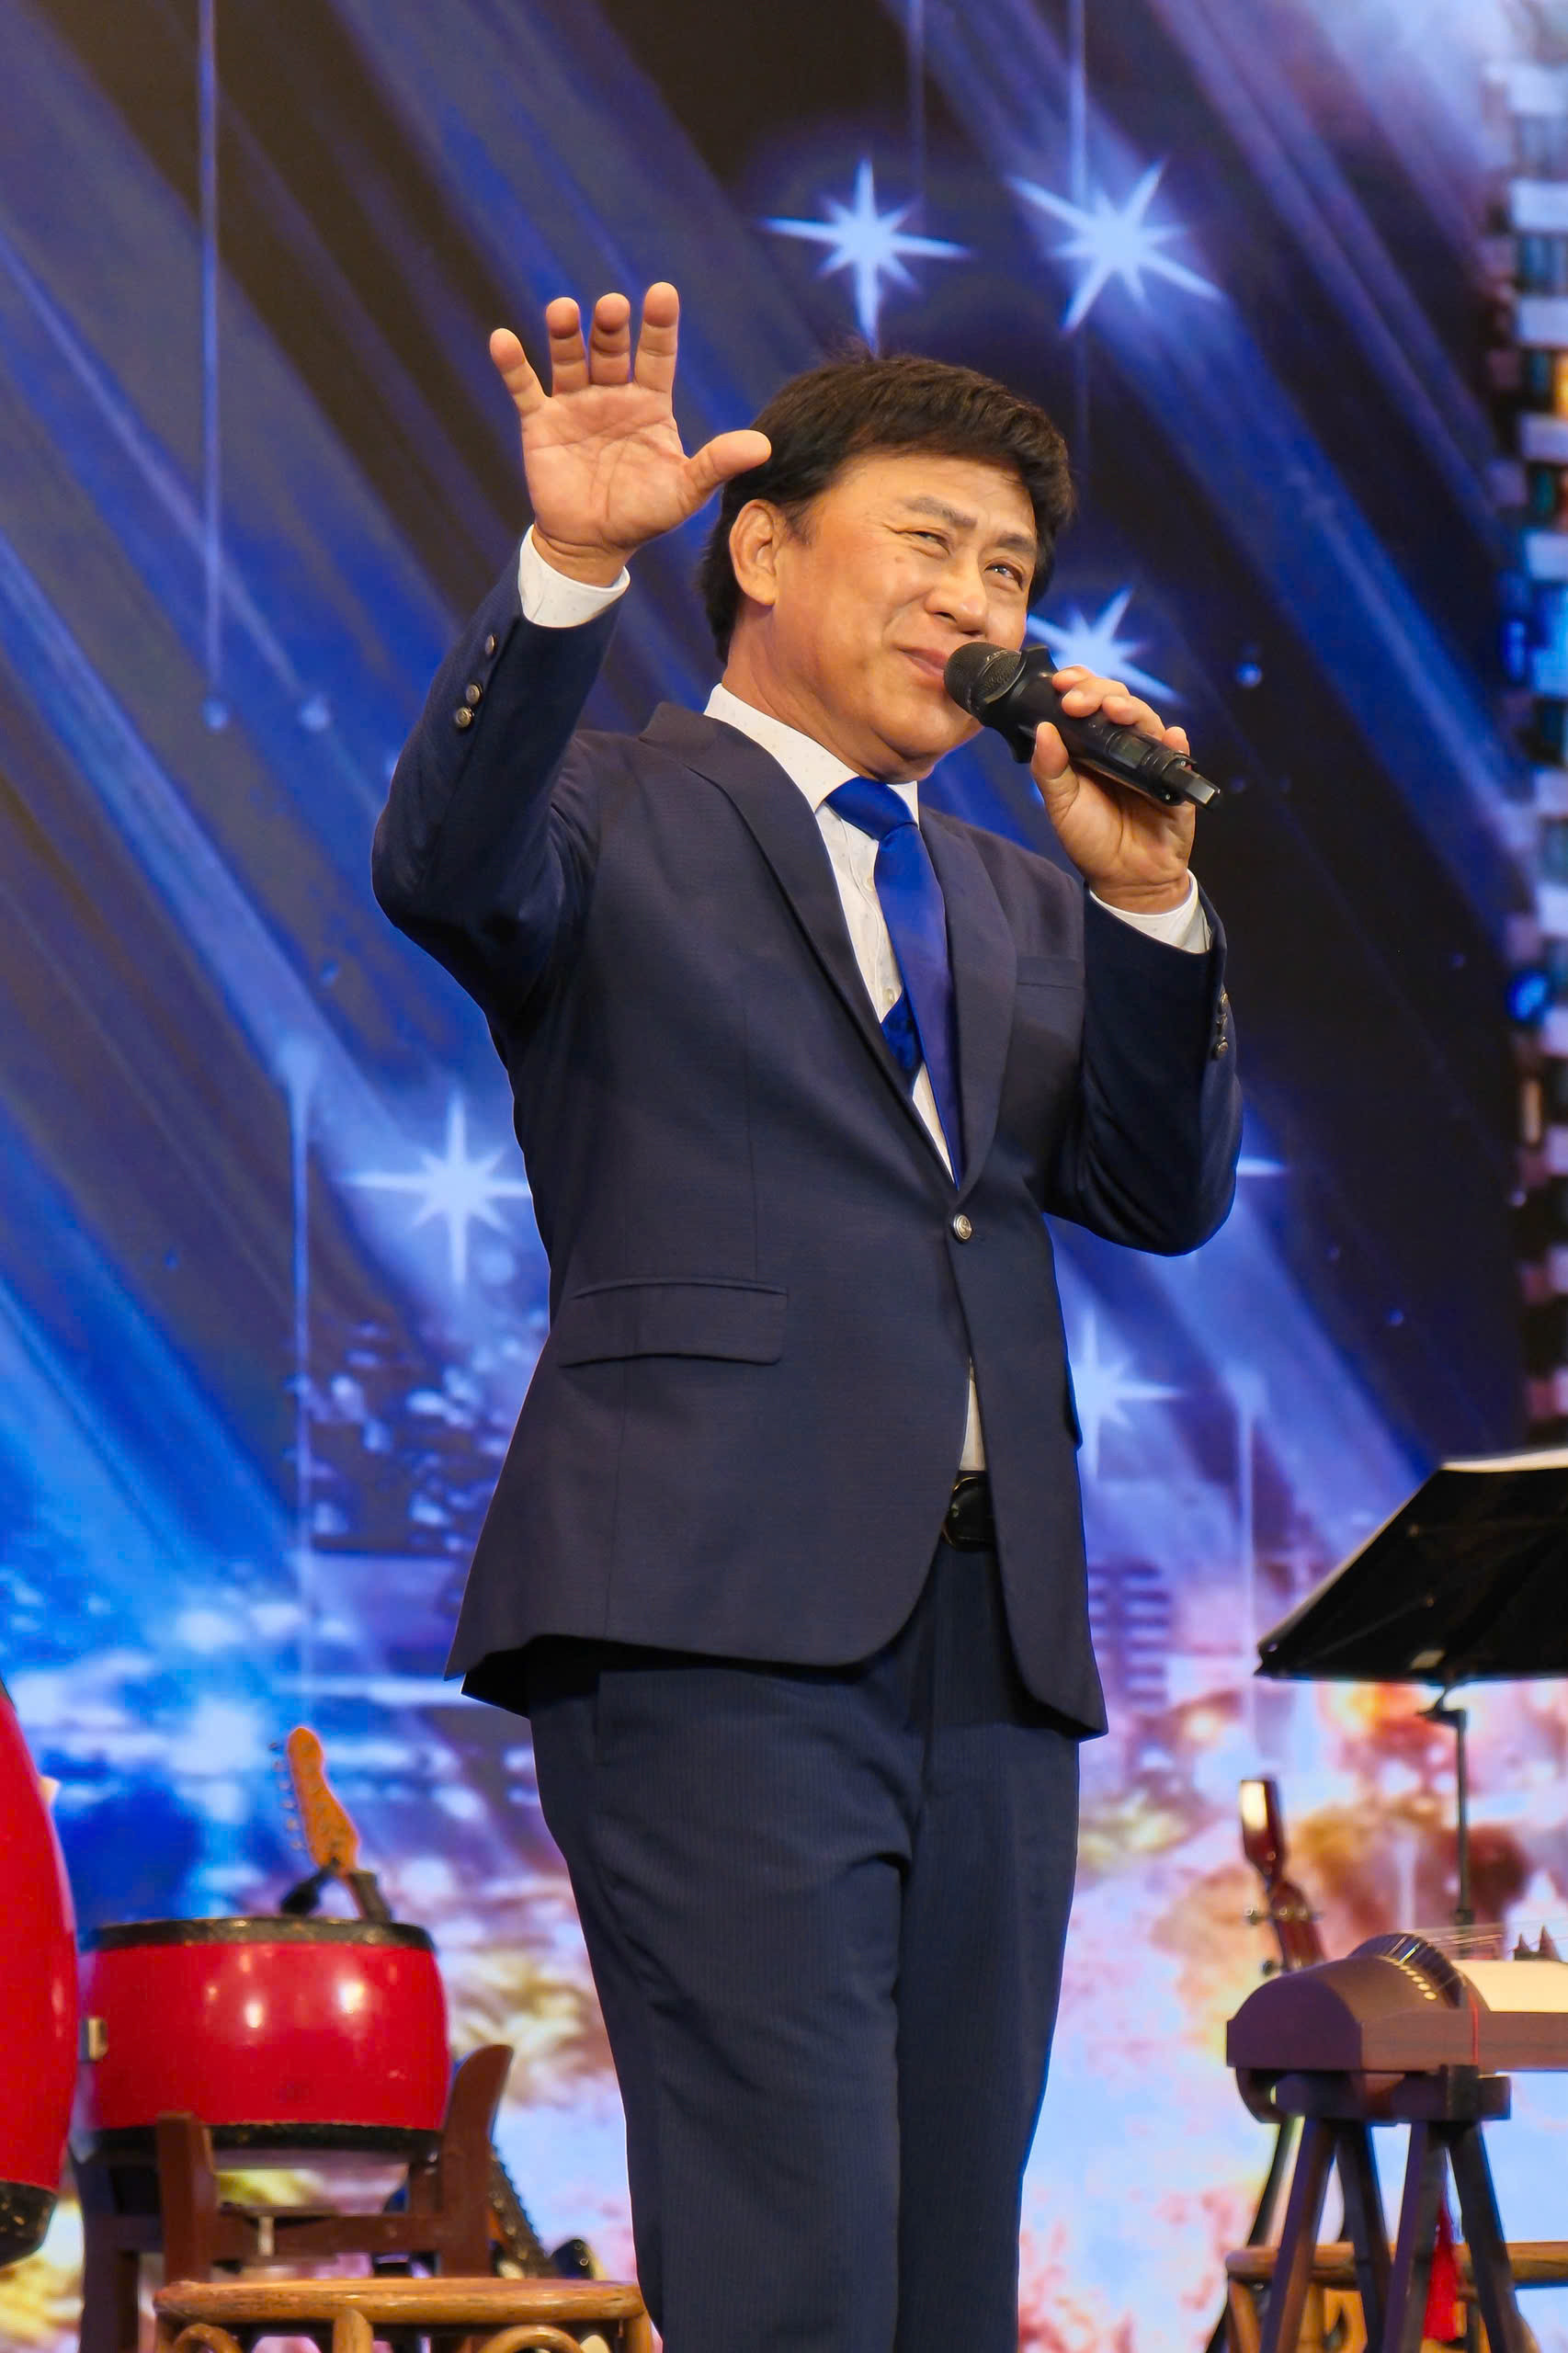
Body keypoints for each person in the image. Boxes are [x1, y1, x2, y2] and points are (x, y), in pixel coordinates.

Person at [373, 280, 1241, 2353]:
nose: (972, 597)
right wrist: (569, 564)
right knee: (794, 2241)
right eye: (925, 541)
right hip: (710, 1613)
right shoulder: (608, 805)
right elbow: (441, 860)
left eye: (1007, 569)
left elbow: (1161, 1193)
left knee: (947, 2257)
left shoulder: (1013, 892)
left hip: (995, 1642)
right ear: (762, 549)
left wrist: (1145, 900)